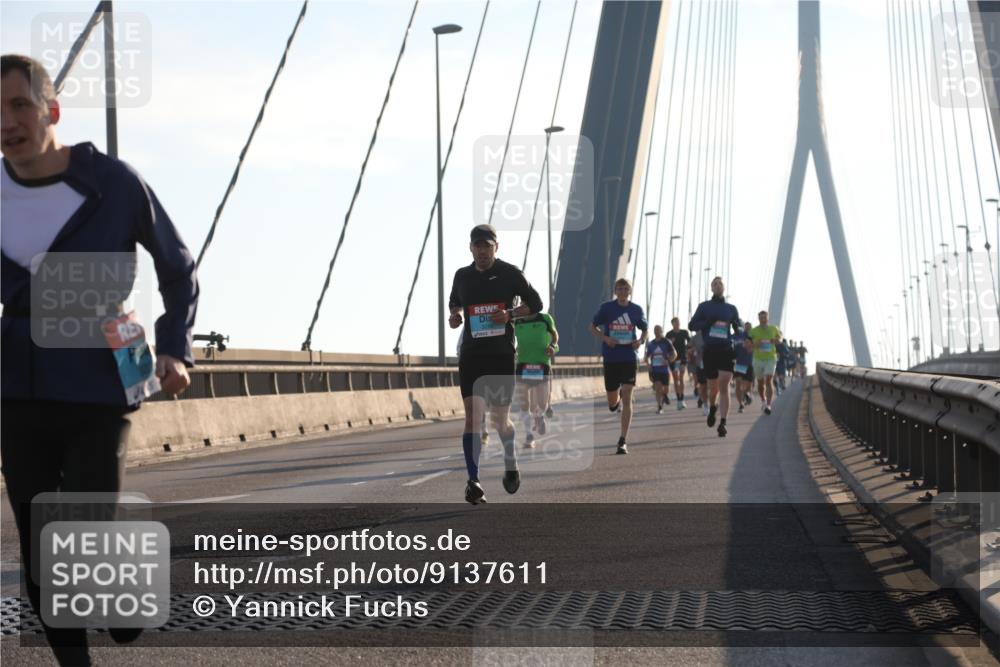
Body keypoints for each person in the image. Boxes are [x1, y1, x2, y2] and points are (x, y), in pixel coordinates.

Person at [1, 54, 198, 666]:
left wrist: (173, 346)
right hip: (17, 383)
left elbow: (176, 267)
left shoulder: (113, 182)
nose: (6, 122)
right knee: (40, 549)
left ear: (51, 111)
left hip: (101, 379)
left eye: (18, 105)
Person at [449, 223, 543, 504]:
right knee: (472, 418)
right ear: (471, 248)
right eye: (478, 245)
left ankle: (510, 463)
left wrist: (511, 313)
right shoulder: (462, 276)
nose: (482, 251)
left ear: (496, 247)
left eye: (487, 246)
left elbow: (535, 303)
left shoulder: (509, 273)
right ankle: (473, 480)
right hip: (472, 355)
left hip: (501, 355)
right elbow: (454, 304)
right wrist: (455, 318)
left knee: (500, 420)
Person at [589, 278, 648, 454]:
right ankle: (617, 401)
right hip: (611, 357)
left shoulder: (636, 310)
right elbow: (592, 327)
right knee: (612, 403)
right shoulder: (607, 308)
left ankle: (622, 440)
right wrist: (606, 338)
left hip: (629, 356)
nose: (622, 291)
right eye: (619, 288)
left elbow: (645, 329)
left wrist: (641, 341)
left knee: (628, 394)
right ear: (615, 291)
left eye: (625, 288)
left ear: (629, 290)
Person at [688, 276, 741, 437]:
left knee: (724, 386)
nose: (717, 286)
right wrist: (706, 323)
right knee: (713, 389)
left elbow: (738, 326)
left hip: (726, 349)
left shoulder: (731, 308)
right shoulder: (704, 307)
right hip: (710, 350)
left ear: (724, 287)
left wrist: (736, 328)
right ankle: (712, 408)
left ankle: (723, 423)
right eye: (714, 284)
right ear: (711, 288)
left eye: (720, 284)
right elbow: (692, 325)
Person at [513, 310, 559, 448]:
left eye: (528, 303)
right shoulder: (517, 321)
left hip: (541, 363)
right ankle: (529, 436)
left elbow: (555, 336)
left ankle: (539, 416)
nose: (524, 306)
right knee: (524, 403)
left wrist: (552, 347)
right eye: (523, 303)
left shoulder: (545, 318)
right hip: (523, 364)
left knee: (541, 403)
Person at [749, 310, 782, 415]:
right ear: (758, 319)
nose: (763, 319)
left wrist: (777, 340)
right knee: (760, 383)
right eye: (761, 317)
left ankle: (768, 404)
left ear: (768, 318)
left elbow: (780, 337)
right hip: (758, 358)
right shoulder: (753, 331)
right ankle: (763, 400)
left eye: (765, 317)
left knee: (768, 380)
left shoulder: (774, 328)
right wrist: (755, 344)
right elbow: (748, 347)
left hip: (770, 358)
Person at [643, 325, 677, 414]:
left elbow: (675, 354)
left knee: (666, 389)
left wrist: (669, 360)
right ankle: (659, 406)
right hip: (655, 370)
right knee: (658, 388)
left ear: (662, 331)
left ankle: (665, 395)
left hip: (665, 370)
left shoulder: (666, 342)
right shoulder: (651, 344)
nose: (657, 331)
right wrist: (648, 364)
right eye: (655, 330)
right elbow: (646, 357)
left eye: (658, 330)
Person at [665, 317, 690, 410]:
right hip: (674, 359)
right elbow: (666, 346)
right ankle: (679, 399)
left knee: (681, 377)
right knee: (676, 379)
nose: (677, 324)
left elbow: (690, 342)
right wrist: (670, 342)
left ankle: (682, 398)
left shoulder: (684, 332)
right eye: (676, 322)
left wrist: (688, 350)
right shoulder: (669, 334)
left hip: (683, 358)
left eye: (678, 322)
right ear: (672, 324)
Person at [732, 321, 754, 413]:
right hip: (739, 363)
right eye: (746, 327)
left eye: (749, 327)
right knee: (738, 384)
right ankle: (741, 404)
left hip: (749, 363)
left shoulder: (754, 337)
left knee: (747, 386)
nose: (748, 328)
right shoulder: (737, 336)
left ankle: (747, 395)